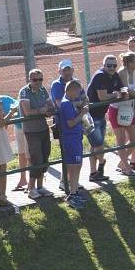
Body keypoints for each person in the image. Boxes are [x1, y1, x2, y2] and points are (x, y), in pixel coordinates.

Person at [86, 55, 124, 182]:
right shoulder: (100, 75)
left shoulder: (114, 75)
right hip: (91, 116)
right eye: (109, 65)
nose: (112, 68)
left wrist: (123, 92)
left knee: (95, 146)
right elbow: (102, 97)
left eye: (114, 65)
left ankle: (94, 173)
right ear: (103, 65)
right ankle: (102, 163)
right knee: (98, 145)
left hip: (101, 115)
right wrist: (116, 95)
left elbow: (122, 89)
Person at [19, 69, 54, 200]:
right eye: (35, 80)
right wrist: (41, 110)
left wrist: (49, 110)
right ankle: (31, 188)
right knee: (36, 159)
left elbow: (50, 106)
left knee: (45, 157)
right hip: (31, 131)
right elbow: (27, 112)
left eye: (40, 79)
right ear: (30, 80)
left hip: (43, 128)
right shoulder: (24, 92)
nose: (38, 82)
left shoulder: (43, 90)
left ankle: (40, 187)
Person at [59, 79, 88, 209]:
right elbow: (70, 123)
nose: (79, 94)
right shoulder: (66, 104)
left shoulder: (69, 102)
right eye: (77, 91)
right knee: (73, 167)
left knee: (77, 165)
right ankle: (71, 195)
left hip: (75, 138)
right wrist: (82, 113)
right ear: (71, 90)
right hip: (71, 139)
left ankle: (74, 192)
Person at [108, 51, 135, 175]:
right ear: (128, 62)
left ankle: (122, 163)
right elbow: (125, 93)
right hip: (117, 110)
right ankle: (126, 168)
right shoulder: (121, 73)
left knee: (134, 139)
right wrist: (130, 93)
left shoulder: (133, 72)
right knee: (121, 139)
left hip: (128, 109)